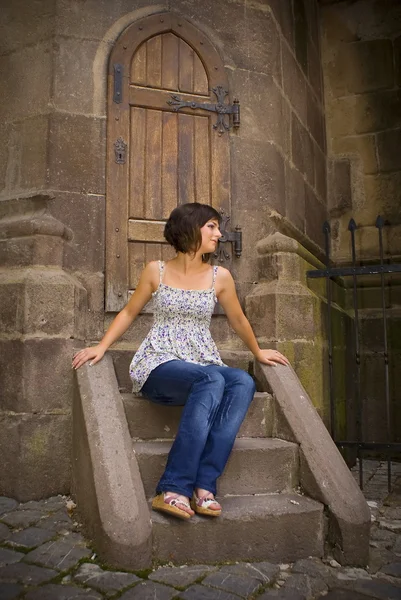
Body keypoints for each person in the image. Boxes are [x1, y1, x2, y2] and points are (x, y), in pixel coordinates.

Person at [72, 202, 289, 520]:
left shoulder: (220, 276)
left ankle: (204, 485)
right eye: (212, 226)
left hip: (202, 361)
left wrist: (257, 352)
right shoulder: (155, 270)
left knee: (242, 381)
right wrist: (102, 347)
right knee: (211, 379)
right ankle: (173, 487)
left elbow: (239, 319)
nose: (219, 233)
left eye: (218, 227)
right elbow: (130, 312)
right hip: (160, 363)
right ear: (190, 229)